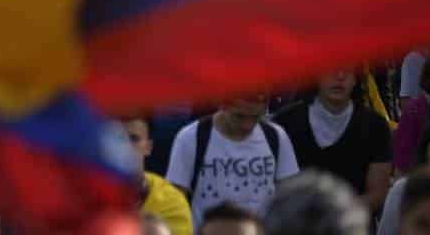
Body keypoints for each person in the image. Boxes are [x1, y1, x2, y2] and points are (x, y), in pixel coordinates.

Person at [166, 97, 301, 229]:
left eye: (254, 118)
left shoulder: (276, 136)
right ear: (223, 103)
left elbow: (291, 196)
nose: (247, 125)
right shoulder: (191, 137)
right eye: (240, 117)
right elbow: (174, 202)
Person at [275, 69, 393, 205]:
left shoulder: (375, 125)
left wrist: (340, 218)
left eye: (347, 70)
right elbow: (279, 188)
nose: (340, 76)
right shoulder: (285, 122)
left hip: (354, 221)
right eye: (331, 68)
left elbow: (377, 193)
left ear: (355, 79)